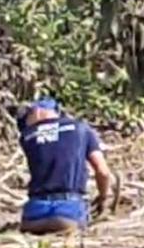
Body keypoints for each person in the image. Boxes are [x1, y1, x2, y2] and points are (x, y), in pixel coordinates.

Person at [15, 97, 112, 234]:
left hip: (33, 215)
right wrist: (103, 197)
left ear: (36, 112)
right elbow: (103, 171)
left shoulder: (27, 136)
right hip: (68, 211)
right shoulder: (81, 129)